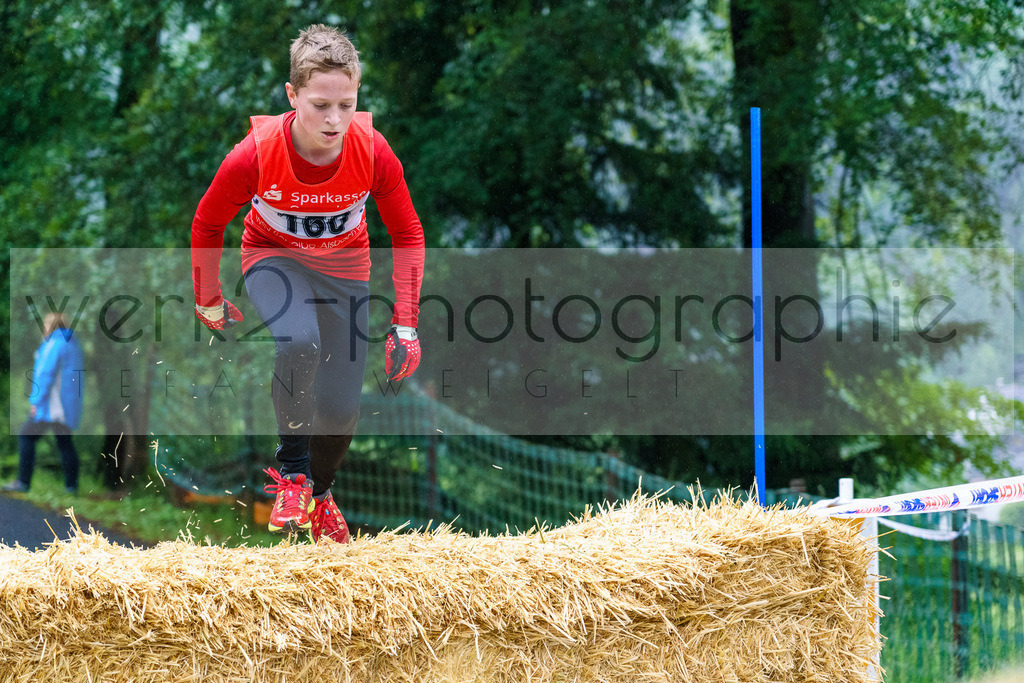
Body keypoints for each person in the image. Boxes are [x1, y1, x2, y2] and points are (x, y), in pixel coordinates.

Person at [190, 24, 425, 543]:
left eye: (347, 105)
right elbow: (208, 224)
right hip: (274, 259)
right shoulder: (252, 154)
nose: (334, 120)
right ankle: (291, 474)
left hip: (346, 271)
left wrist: (406, 323)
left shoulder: (373, 150)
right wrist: (207, 296)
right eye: (320, 105)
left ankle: (319, 494)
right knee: (300, 342)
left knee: (341, 409)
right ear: (293, 96)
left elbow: (407, 231)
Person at [3, 313, 85, 494]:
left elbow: (44, 374)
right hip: (66, 406)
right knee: (65, 444)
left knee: (26, 436)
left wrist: (36, 401)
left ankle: (23, 482)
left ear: (50, 326)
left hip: (51, 405)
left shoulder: (54, 344)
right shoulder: (72, 344)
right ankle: (72, 487)